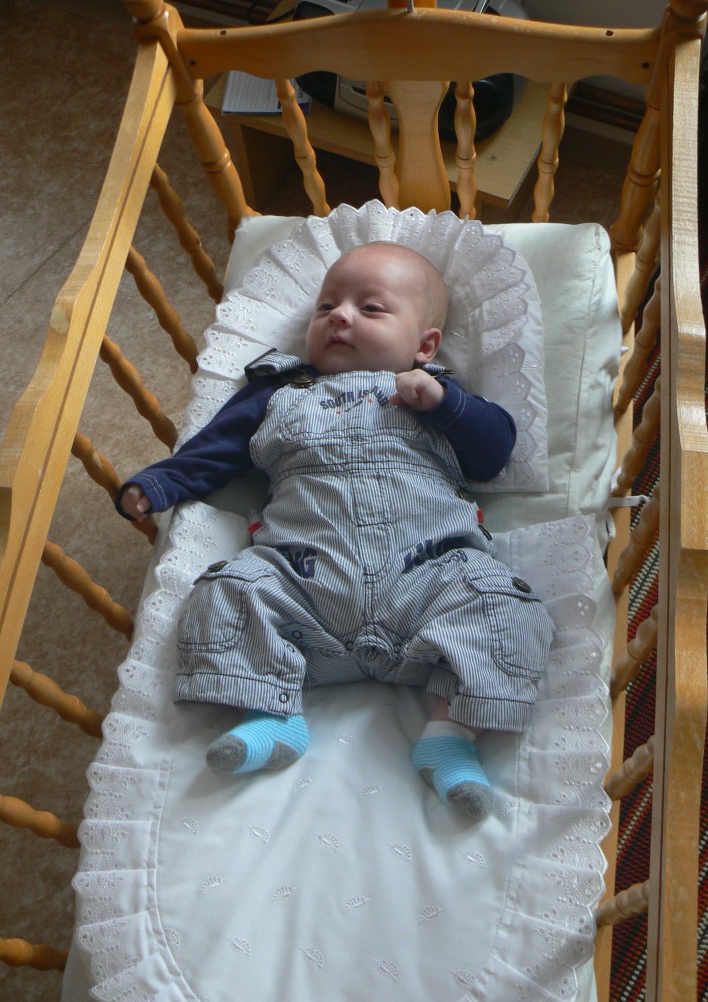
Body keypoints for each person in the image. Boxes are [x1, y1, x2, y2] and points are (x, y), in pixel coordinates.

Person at [118, 241, 554, 820]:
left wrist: (445, 404)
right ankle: (273, 715)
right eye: (327, 307)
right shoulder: (278, 391)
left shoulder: (435, 394)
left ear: (424, 346)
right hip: (301, 580)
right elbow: (214, 450)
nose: (339, 317)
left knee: (510, 608)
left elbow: (494, 453)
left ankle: (450, 735)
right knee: (225, 589)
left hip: (429, 581)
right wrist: (161, 483)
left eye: (370, 309)